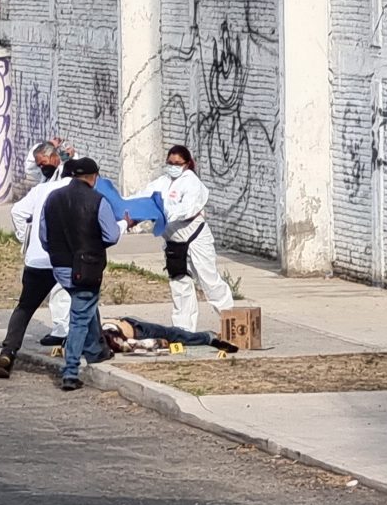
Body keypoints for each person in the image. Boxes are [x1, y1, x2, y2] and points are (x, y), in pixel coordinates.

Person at [126, 145, 233, 332]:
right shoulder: (162, 182)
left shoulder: (192, 182)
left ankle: (232, 320)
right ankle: (183, 331)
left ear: (187, 163)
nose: (173, 166)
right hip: (173, 241)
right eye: (170, 163)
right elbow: (144, 197)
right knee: (180, 285)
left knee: (209, 281)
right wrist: (132, 212)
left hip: (195, 238)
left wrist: (162, 211)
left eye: (177, 163)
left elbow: (187, 209)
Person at [39, 157, 124, 392]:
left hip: (60, 267)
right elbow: (112, 235)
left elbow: (44, 237)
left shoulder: (52, 198)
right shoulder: (97, 200)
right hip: (86, 268)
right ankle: (70, 371)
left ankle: (97, 351)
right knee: (79, 317)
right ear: (94, 177)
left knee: (86, 305)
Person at [0, 164, 73, 379]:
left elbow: (17, 211)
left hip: (37, 259)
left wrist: (25, 238)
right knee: (85, 303)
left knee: (25, 307)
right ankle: (95, 348)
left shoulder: (41, 189)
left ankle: (9, 351)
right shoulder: (79, 192)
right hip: (65, 260)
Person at [101, 317, 239, 354]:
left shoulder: (106, 339)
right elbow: (133, 345)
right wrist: (157, 343)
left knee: (176, 335)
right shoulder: (113, 342)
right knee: (175, 335)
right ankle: (209, 337)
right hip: (138, 331)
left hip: (134, 328)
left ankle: (208, 337)